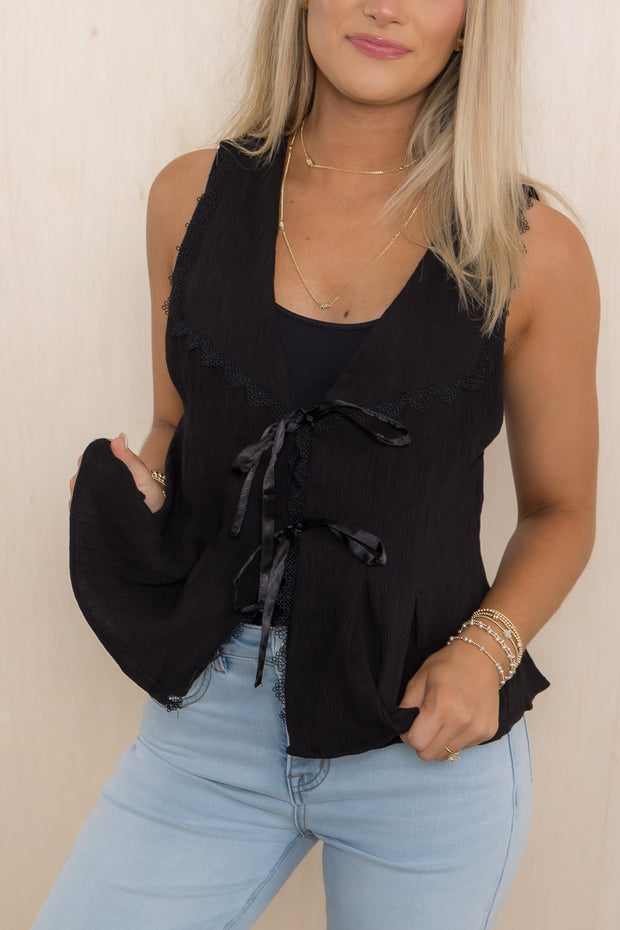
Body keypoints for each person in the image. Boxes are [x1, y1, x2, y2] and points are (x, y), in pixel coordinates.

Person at [33, 1, 599, 928]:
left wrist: (483, 654)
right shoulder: (188, 198)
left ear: (470, 22)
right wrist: (147, 490)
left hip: (424, 741)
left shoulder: (534, 251)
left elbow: (561, 511)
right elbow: (177, 420)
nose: (385, 6)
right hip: (210, 722)